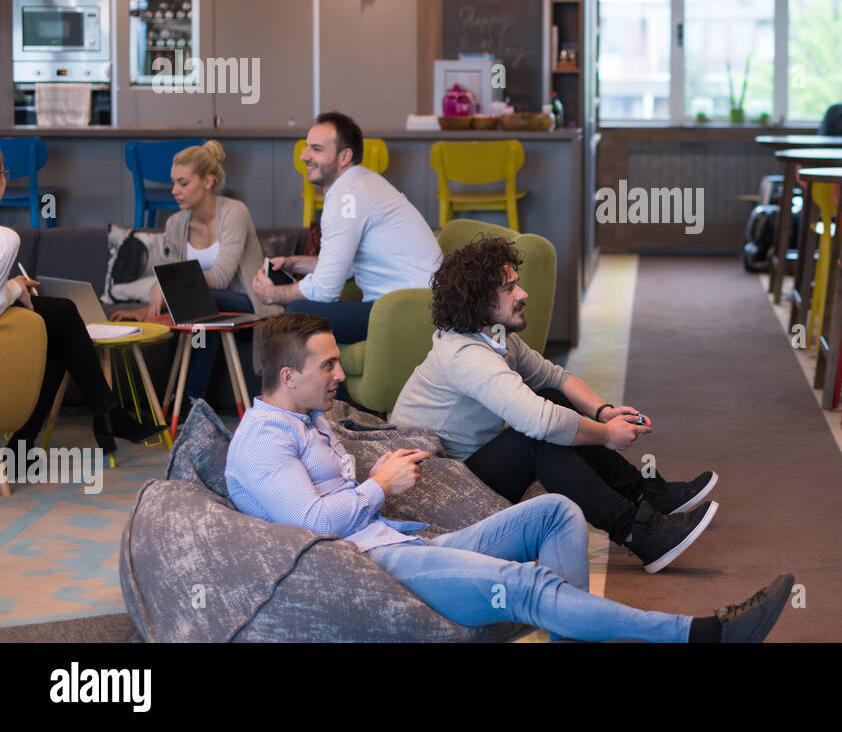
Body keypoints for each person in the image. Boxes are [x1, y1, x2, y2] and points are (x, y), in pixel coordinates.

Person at [225, 313, 793, 643]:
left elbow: (553, 384)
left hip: (401, 541)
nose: (340, 373)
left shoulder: (307, 418)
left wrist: (370, 480)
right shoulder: (263, 440)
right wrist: (378, 486)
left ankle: (581, 617)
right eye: (327, 365)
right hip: (372, 566)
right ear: (285, 376)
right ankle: (696, 635)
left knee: (558, 511)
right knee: (525, 587)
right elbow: (312, 524)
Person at [390, 237, 719, 574]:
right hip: (438, 493)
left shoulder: (496, 336)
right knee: (536, 438)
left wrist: (603, 412)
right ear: (477, 302)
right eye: (509, 288)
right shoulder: (466, 357)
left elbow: (555, 378)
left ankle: (648, 496)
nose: (523, 294)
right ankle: (639, 532)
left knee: (551, 400)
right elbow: (542, 423)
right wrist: (606, 434)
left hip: (462, 469)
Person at [0, 148, 166, 457]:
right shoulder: (6, 238)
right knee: (63, 317)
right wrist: (12, 288)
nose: (3, 182)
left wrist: (13, 286)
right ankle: (106, 413)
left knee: (62, 328)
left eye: (3, 173)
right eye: (2, 174)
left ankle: (27, 442)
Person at [249, 112, 441, 345]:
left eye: (316, 149)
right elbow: (342, 265)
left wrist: (273, 295)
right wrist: (294, 262)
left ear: (344, 157)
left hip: (409, 309)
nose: (304, 156)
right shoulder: (361, 183)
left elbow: (324, 290)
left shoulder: (346, 197)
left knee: (298, 312)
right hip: (416, 303)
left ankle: (327, 382)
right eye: (307, 147)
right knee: (302, 311)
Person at [111, 140, 279, 405]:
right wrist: (145, 310)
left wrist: (166, 286)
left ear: (208, 181)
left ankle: (188, 397)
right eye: (173, 183)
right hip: (206, 309)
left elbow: (222, 277)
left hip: (250, 303)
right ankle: (176, 400)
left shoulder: (235, 213)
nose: (175, 191)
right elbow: (179, 284)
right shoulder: (176, 223)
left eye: (183, 183)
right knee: (197, 308)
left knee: (201, 301)